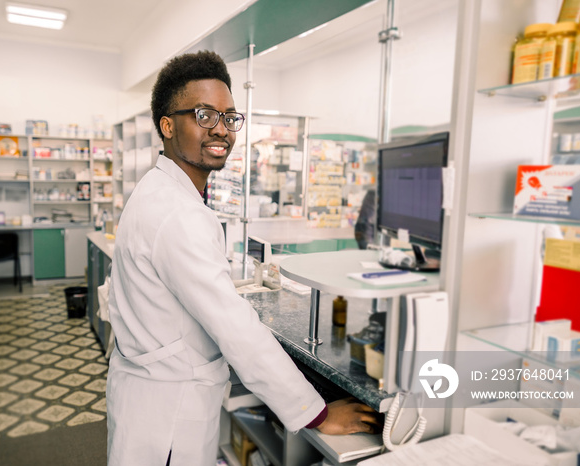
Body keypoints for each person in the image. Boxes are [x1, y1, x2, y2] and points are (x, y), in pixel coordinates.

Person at [106, 50, 380, 465]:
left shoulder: (161, 192)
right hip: (168, 418)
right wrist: (317, 413)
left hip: (149, 398)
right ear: (167, 125)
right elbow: (235, 329)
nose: (221, 130)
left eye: (229, 117)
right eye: (204, 116)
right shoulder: (176, 212)